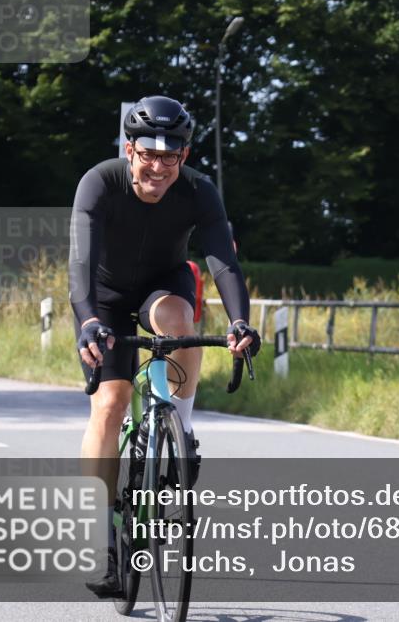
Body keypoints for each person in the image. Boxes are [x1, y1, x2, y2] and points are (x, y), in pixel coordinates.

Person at [69, 95, 261, 596]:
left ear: (185, 154)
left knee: (181, 320)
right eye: (147, 155)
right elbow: (80, 264)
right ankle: (104, 542)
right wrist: (88, 320)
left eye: (169, 156)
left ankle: (182, 430)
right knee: (109, 406)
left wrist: (240, 321)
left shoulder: (199, 192)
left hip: (162, 285)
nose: (157, 167)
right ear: (129, 150)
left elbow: (222, 261)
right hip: (105, 299)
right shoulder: (100, 182)